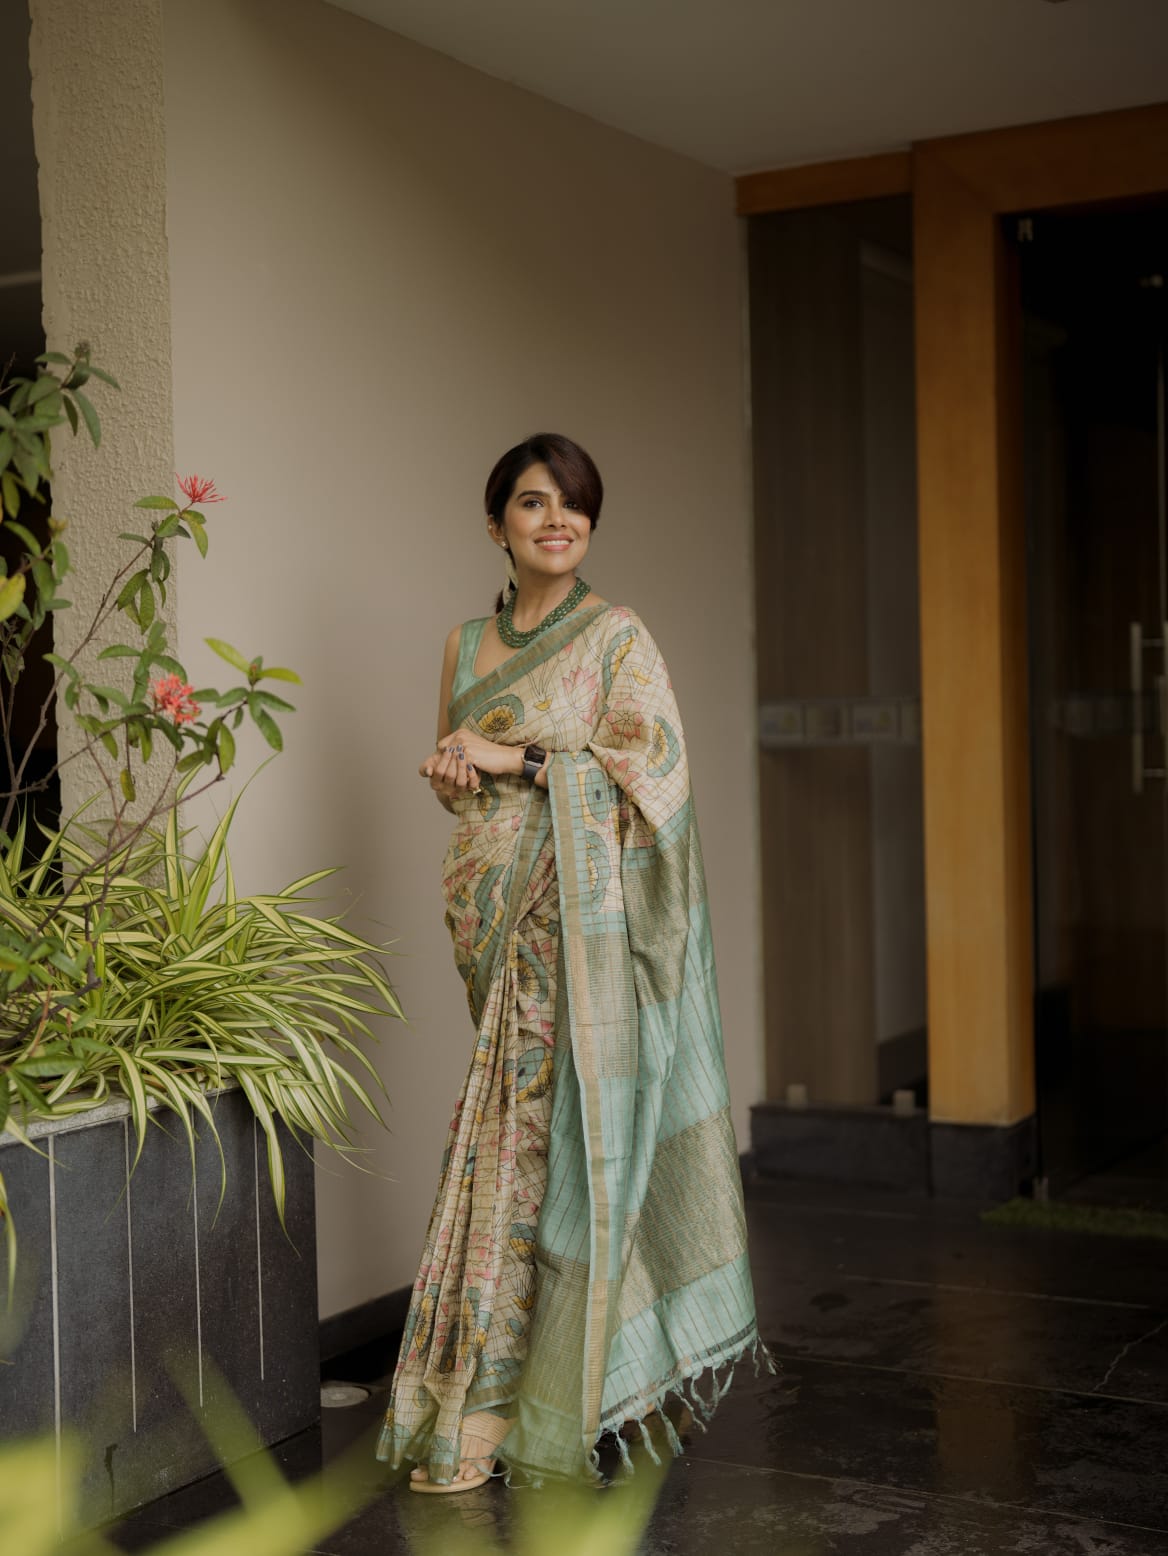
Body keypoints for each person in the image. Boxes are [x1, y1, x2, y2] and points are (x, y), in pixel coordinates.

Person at [376, 434, 762, 1492]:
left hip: (581, 930)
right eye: (535, 502)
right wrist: (455, 774)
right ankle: (544, 1385)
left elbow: (655, 776)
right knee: (521, 1141)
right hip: (494, 914)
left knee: (540, 1149)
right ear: (494, 521)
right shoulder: (464, 644)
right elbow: (460, 778)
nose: (559, 521)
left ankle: (501, 1401)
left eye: (575, 505)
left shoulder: (616, 637)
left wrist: (519, 756)